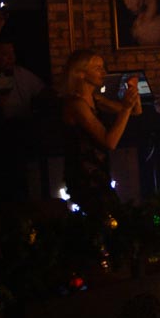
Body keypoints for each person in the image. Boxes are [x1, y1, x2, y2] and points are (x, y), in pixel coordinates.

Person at [58, 48, 138, 213]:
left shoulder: (96, 99)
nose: (104, 72)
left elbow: (136, 111)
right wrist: (126, 108)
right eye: (97, 68)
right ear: (81, 74)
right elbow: (109, 142)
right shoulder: (76, 104)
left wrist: (133, 93)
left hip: (99, 172)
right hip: (85, 177)